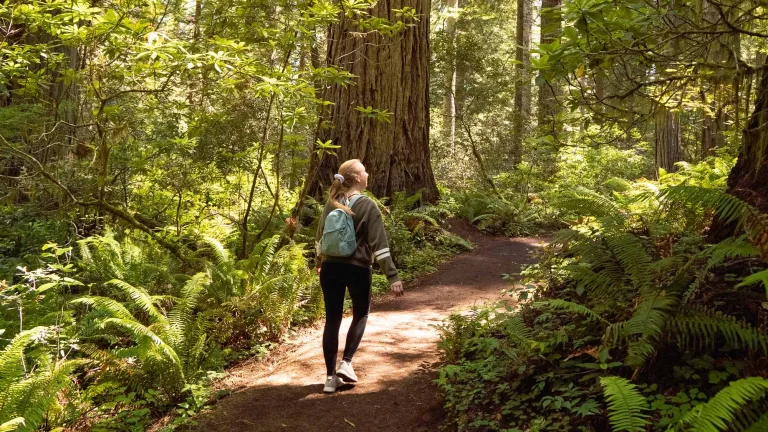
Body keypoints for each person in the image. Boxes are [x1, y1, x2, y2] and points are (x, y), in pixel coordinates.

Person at [315, 159, 404, 394]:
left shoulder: (331, 204)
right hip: (357, 269)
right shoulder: (368, 206)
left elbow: (319, 239)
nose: (368, 174)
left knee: (332, 319)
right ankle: (346, 362)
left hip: (330, 268)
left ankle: (329, 378)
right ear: (356, 178)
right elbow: (380, 246)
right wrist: (392, 277)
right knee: (361, 313)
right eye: (364, 171)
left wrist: (319, 263)